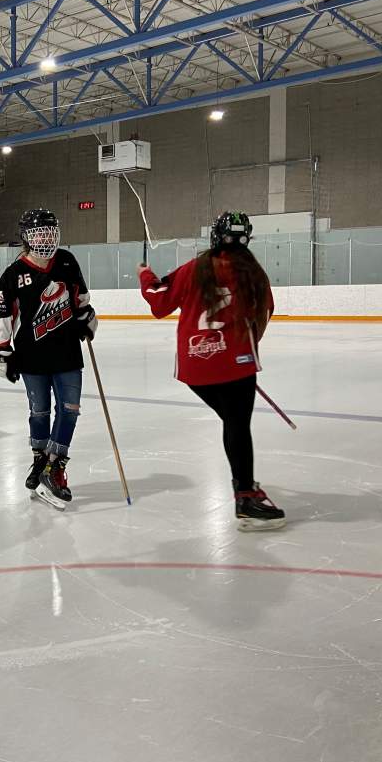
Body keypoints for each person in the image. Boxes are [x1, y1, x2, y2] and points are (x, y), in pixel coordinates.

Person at [137, 211, 285, 531]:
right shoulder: (252, 272)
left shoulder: (195, 267)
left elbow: (159, 303)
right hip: (237, 364)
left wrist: (145, 275)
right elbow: (265, 311)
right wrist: (247, 348)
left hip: (196, 366)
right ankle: (246, 496)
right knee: (237, 425)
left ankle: (245, 490)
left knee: (233, 422)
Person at [0, 209, 97, 510]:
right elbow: (2, 316)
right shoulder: (13, 274)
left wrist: (86, 318)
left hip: (67, 354)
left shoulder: (67, 262)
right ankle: (40, 462)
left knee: (70, 410)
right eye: (39, 233)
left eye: (50, 232)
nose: (46, 239)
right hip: (31, 357)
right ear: (26, 237)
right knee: (39, 413)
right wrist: (0, 350)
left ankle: (54, 468)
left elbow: (82, 301)